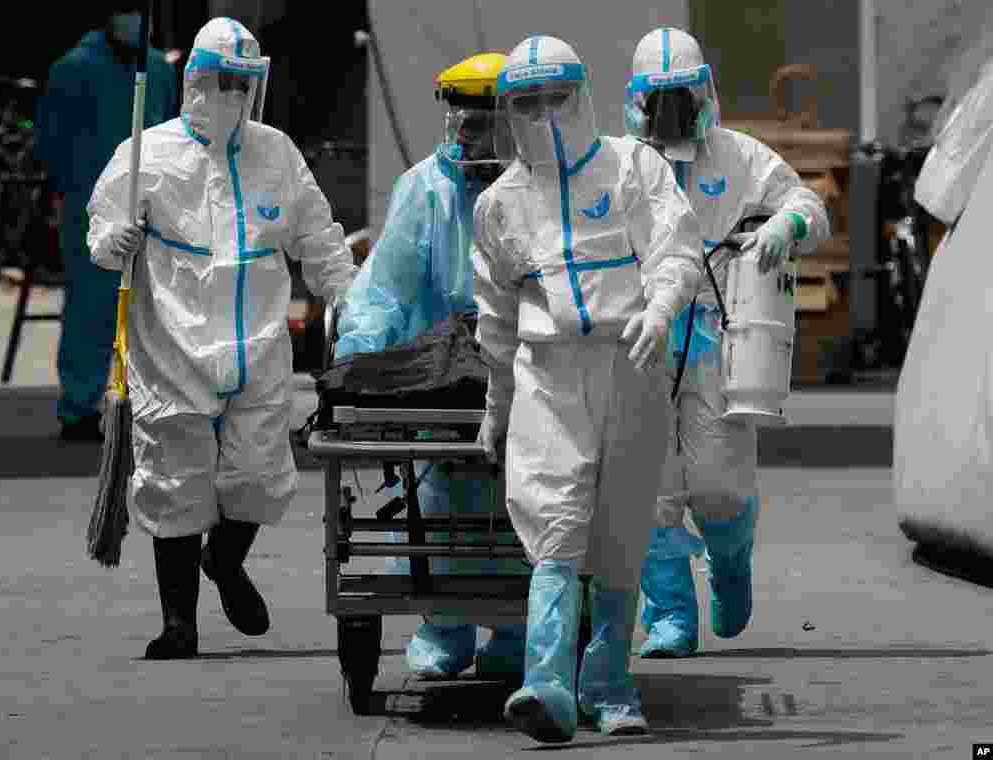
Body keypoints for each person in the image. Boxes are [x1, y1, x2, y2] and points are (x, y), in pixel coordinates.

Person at [86, 17, 358, 660]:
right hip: (170, 344)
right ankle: (178, 621)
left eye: (242, 82)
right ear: (193, 81)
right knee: (174, 478)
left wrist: (350, 301)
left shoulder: (276, 153)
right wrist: (113, 241)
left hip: (259, 344)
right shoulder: (145, 153)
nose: (230, 94)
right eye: (219, 80)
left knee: (261, 475)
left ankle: (225, 561)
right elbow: (101, 227)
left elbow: (318, 239)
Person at [472, 35, 704, 742]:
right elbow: (495, 316)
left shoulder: (632, 167)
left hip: (631, 365)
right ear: (509, 109)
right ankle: (545, 685)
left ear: (583, 97)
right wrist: (496, 407)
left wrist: (661, 311)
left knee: (622, 523)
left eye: (555, 98)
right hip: (547, 373)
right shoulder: (501, 202)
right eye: (525, 102)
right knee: (555, 519)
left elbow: (677, 250)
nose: (543, 114)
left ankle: (608, 685)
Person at [623, 27, 830, 659]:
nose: (670, 115)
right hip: (642, 339)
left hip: (719, 337)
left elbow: (809, 204)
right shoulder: (617, 165)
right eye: (658, 102)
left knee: (720, 484)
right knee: (649, 487)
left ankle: (730, 562)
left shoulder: (739, 157)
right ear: (636, 103)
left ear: (703, 94)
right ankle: (669, 618)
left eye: (680, 98)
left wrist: (786, 224)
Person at [334, 52, 530, 680]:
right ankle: (444, 626)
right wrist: (358, 358)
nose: (465, 134)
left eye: (480, 122)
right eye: (459, 119)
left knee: (520, 505)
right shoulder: (425, 187)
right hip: (438, 377)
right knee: (436, 502)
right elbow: (386, 285)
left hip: (522, 370)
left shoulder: (540, 187)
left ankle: (514, 631)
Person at [33, 3, 180, 442]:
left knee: (154, 310)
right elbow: (50, 143)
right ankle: (80, 405)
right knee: (90, 310)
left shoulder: (158, 69)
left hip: (152, 206)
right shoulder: (73, 70)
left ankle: (147, 404)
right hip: (88, 207)